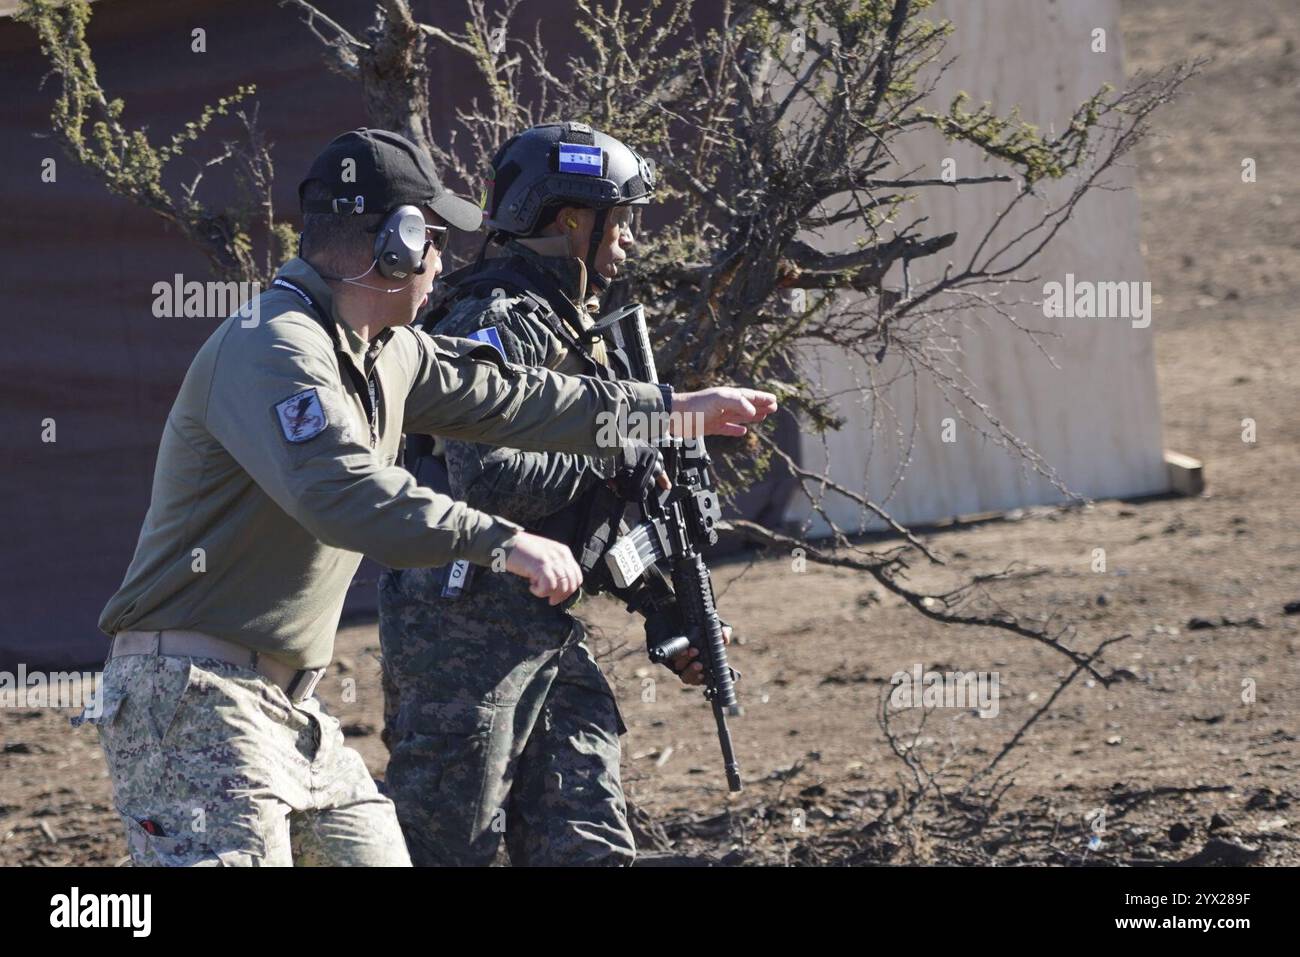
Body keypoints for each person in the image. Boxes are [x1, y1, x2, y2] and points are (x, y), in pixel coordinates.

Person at [78, 127, 777, 867]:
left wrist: (671, 408)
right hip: (192, 699)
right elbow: (342, 490)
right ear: (398, 244)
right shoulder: (276, 344)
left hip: (290, 707)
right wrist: (501, 539)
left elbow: (521, 397)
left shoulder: (389, 349)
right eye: (434, 240)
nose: (444, 263)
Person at [379, 122, 738, 867]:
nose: (631, 241)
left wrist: (667, 614)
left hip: (542, 629)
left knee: (590, 842)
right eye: (623, 220)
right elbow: (489, 478)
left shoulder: (568, 327)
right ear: (573, 219)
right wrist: (614, 447)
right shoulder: (493, 320)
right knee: (446, 849)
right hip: (460, 638)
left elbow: (597, 509)